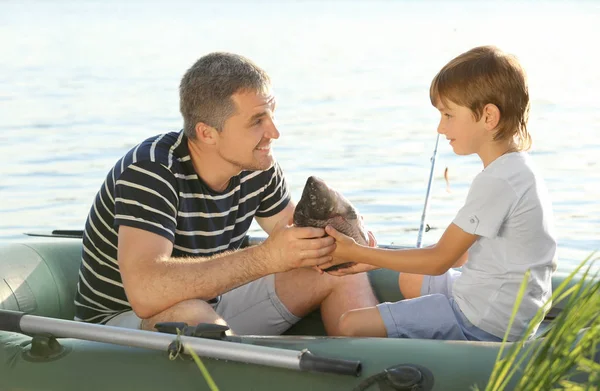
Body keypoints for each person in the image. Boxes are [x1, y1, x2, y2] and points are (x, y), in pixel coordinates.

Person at [73, 52, 378, 335]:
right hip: (118, 328)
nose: (274, 132)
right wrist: (265, 258)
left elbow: (296, 238)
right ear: (207, 133)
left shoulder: (257, 166)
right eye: (257, 121)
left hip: (212, 307)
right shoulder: (151, 171)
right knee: (192, 316)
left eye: (271, 114)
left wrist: (350, 251)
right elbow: (145, 294)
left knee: (339, 274)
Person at [319, 46, 557, 342]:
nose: (440, 127)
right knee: (410, 280)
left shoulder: (497, 181)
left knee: (349, 325)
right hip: (504, 308)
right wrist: (375, 259)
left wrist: (357, 252)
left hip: (482, 321)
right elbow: (464, 252)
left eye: (448, 115)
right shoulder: (517, 168)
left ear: (488, 116)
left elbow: (440, 260)